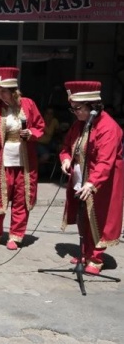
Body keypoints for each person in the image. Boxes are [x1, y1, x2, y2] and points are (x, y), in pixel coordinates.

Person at [59, 81, 123, 275]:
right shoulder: (80, 124)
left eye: (78, 108)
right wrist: (66, 159)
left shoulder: (108, 128)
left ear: (93, 107)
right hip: (81, 177)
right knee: (82, 217)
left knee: (98, 218)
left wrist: (92, 182)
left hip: (102, 181)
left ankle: (96, 258)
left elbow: (105, 161)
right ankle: (85, 253)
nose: (75, 112)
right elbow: (66, 146)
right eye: (73, 109)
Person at [0, 67, 45, 250]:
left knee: (21, 196)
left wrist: (31, 133)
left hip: (25, 160)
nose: (0, 94)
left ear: (13, 90)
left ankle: (16, 234)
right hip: (2, 159)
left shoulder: (28, 104)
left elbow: (40, 126)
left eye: (3, 90)